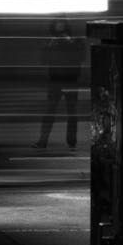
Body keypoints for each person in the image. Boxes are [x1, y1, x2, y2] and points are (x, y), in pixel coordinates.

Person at [32, 18, 85, 150]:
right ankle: (43, 141)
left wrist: (69, 43)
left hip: (70, 81)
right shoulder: (53, 42)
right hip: (56, 81)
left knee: (71, 112)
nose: (60, 27)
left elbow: (81, 57)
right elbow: (43, 60)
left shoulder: (75, 42)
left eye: (62, 24)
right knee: (51, 111)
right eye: (57, 24)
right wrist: (50, 46)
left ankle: (71, 141)